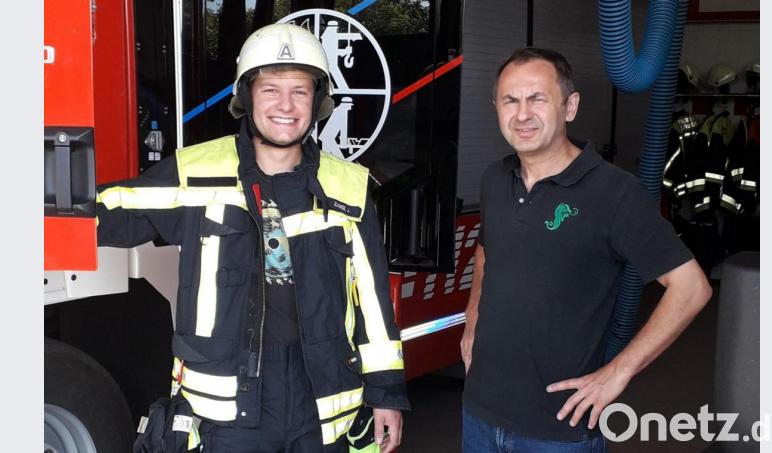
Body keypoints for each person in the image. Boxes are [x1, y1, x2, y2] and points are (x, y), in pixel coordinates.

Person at [96, 23, 408, 453]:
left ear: (317, 102)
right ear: (247, 97)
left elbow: (372, 301)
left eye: (299, 91)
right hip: (228, 411)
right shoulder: (198, 173)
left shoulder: (348, 189)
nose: (285, 105)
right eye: (270, 90)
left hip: (321, 401)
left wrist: (386, 394)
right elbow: (109, 211)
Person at [459, 47, 712, 452]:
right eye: (510, 100)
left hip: (560, 428)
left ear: (569, 106)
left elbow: (692, 287)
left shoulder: (614, 192)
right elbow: (488, 250)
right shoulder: (494, 179)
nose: (522, 114)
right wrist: (472, 319)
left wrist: (618, 372)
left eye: (537, 98)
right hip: (480, 415)